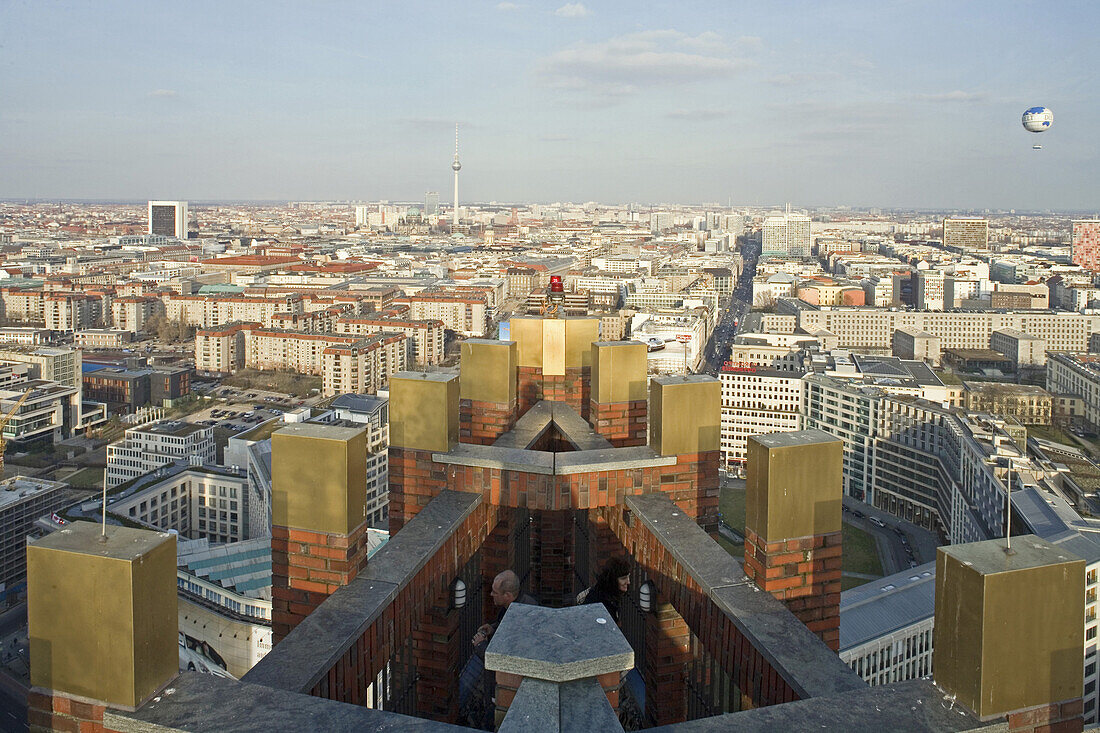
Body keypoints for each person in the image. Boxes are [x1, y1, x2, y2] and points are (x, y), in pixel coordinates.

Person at [459, 570, 536, 729]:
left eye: (495, 592)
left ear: (507, 595)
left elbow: (502, 661)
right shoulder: (522, 605)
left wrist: (480, 646)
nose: (491, 595)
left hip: (505, 691)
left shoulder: (518, 621)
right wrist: (493, 628)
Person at [581, 556, 631, 624]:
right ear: (613, 580)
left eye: (628, 577)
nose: (628, 582)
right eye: (623, 578)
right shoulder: (601, 602)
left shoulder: (607, 595)